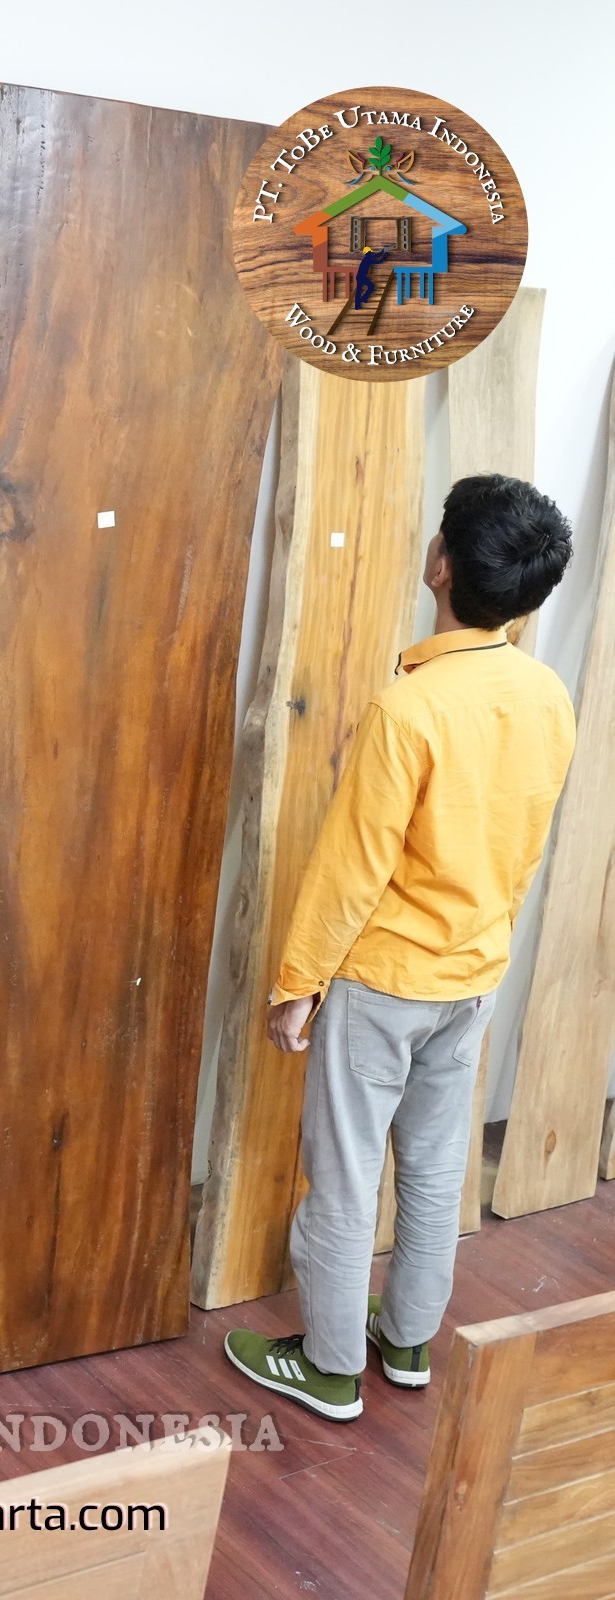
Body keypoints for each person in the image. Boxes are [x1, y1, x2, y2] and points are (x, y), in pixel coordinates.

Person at [225, 473, 576, 1422]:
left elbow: (352, 867)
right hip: (472, 976)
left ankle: (332, 1365)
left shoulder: (408, 709)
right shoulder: (546, 696)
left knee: (343, 1174)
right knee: (432, 1165)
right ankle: (407, 1340)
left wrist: (298, 983)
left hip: (384, 983)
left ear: (441, 564)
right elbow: (526, 843)